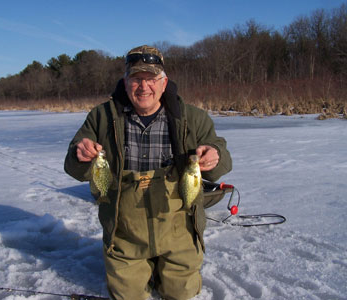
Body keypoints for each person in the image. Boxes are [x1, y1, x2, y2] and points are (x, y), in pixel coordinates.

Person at [64, 45, 232, 300]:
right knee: (127, 296)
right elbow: (72, 166)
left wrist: (214, 156)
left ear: (164, 83)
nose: (144, 87)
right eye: (136, 79)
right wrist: (80, 153)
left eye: (151, 79)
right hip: (125, 232)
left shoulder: (192, 118)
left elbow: (222, 161)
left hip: (179, 229)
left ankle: (164, 269)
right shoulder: (101, 117)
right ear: (125, 82)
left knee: (181, 293)